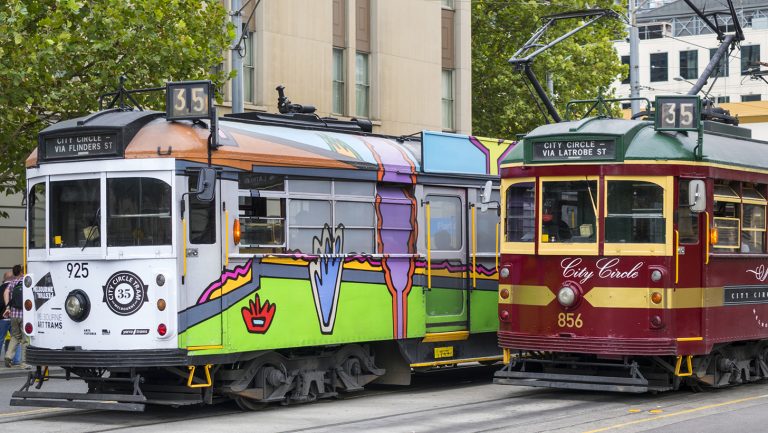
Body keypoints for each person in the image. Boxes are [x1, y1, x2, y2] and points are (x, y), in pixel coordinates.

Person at [4, 265, 27, 369]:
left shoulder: (12, 282)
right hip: (24, 314)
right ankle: (24, 363)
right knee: (25, 340)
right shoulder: (26, 281)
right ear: (22, 271)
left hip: (13, 314)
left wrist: (7, 307)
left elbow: (6, 293)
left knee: (15, 336)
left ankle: (8, 356)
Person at [0, 271, 13, 362]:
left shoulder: (0, 289)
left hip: (2, 318)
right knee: (15, 339)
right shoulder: (15, 288)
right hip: (15, 317)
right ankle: (15, 359)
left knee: (1, 338)